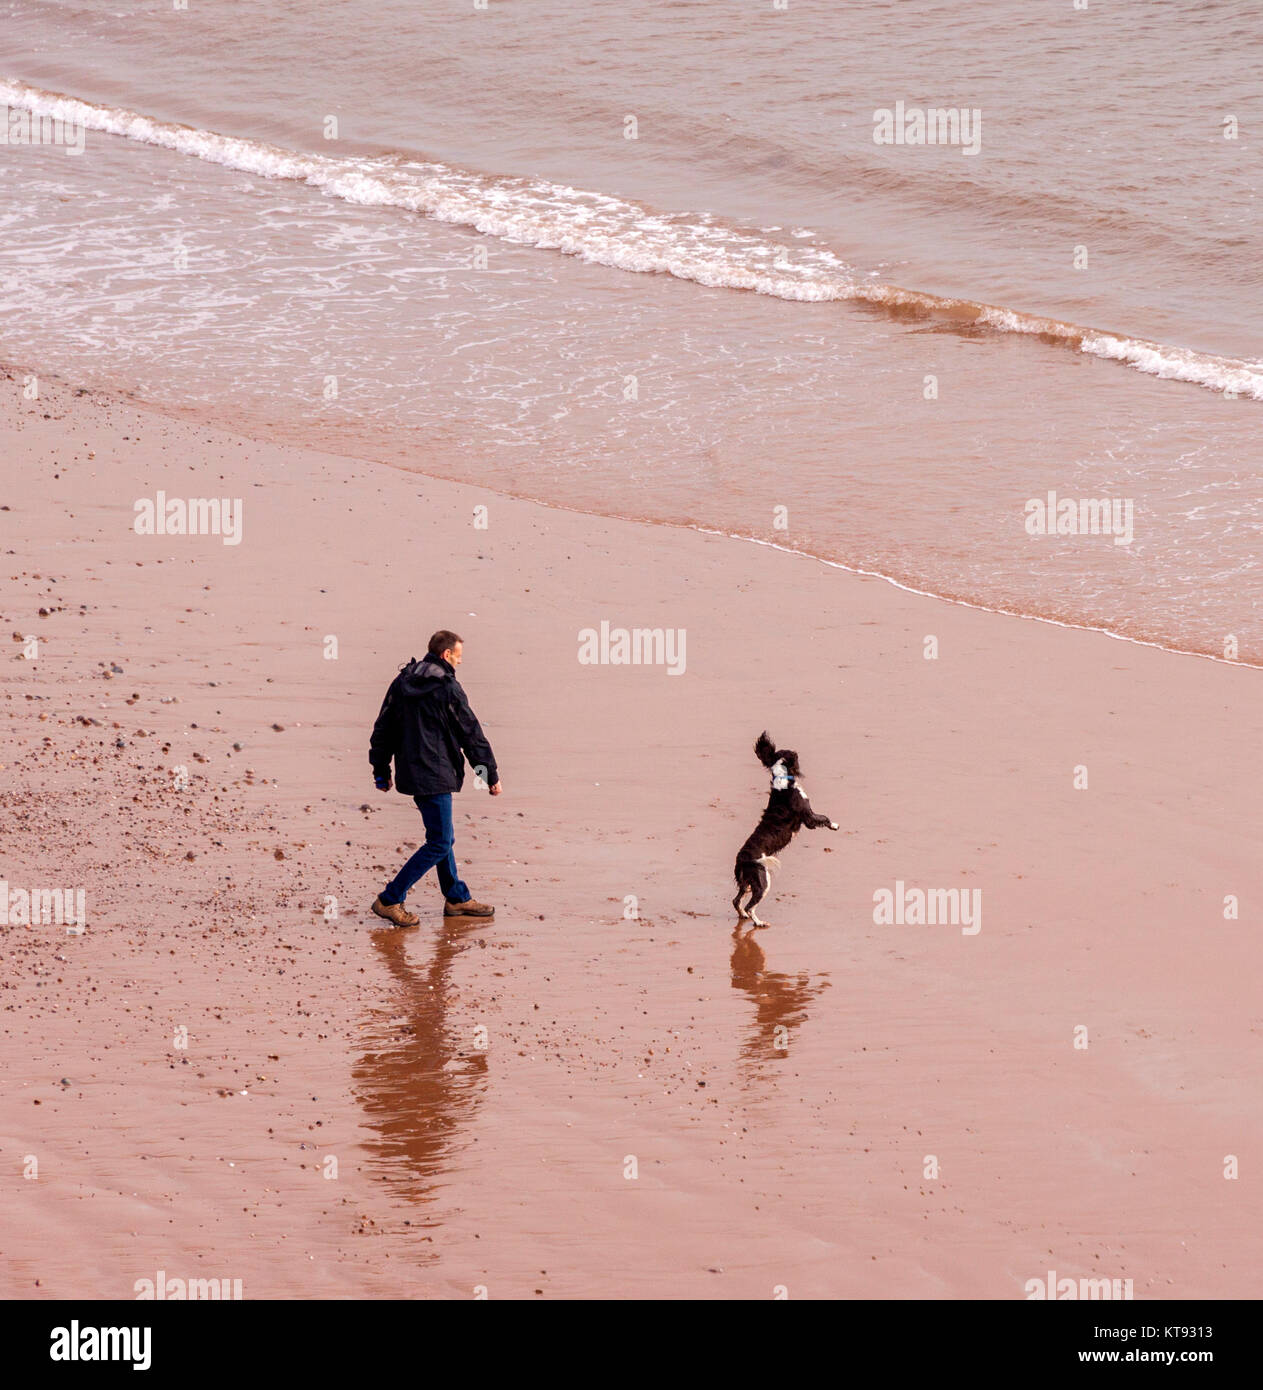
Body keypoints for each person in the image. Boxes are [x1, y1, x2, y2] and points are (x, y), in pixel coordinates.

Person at [369, 629, 502, 926]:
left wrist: (381, 770)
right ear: (446, 655)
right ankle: (390, 899)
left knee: (443, 837)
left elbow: (383, 728)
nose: (460, 662)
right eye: (459, 656)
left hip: (412, 772)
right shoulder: (448, 688)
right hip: (436, 773)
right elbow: (471, 734)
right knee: (440, 841)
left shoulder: (402, 682)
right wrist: (489, 775)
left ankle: (456, 897)